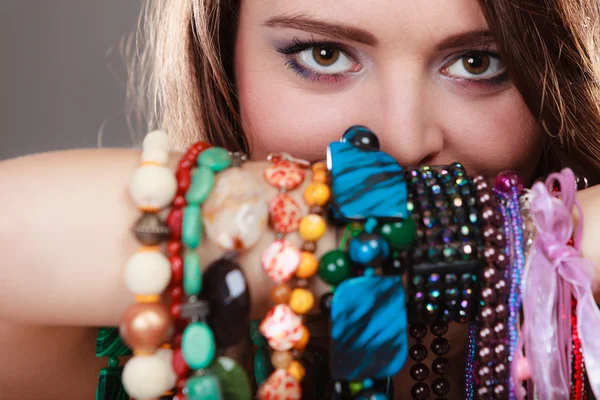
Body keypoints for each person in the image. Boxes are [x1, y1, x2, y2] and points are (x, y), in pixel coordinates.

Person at [0, 0, 599, 398]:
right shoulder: (127, 345)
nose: (400, 140)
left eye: (478, 62)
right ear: (223, 61)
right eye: (325, 54)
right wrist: (543, 239)